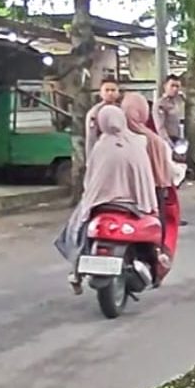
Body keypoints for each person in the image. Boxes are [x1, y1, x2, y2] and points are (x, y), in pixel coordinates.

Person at [55, 106, 161, 291]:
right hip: (132, 204)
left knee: (77, 227)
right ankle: (154, 264)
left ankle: (75, 269)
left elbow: (90, 180)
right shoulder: (136, 143)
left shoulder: (100, 147)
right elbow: (144, 178)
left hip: (100, 203)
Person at [122, 92, 182, 269]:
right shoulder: (152, 141)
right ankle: (158, 257)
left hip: (113, 197)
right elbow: (168, 172)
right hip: (151, 193)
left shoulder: (110, 139)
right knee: (158, 227)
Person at [84, 75, 123, 155]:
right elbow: (91, 138)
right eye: (107, 90)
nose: (110, 93)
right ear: (101, 93)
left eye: (113, 90)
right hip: (102, 152)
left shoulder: (123, 110)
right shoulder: (94, 113)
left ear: (118, 92)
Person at [157, 73, 185, 142]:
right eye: (172, 86)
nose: (175, 89)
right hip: (167, 140)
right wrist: (169, 143)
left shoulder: (177, 101)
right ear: (165, 86)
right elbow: (160, 127)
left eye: (177, 86)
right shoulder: (161, 104)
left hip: (178, 139)